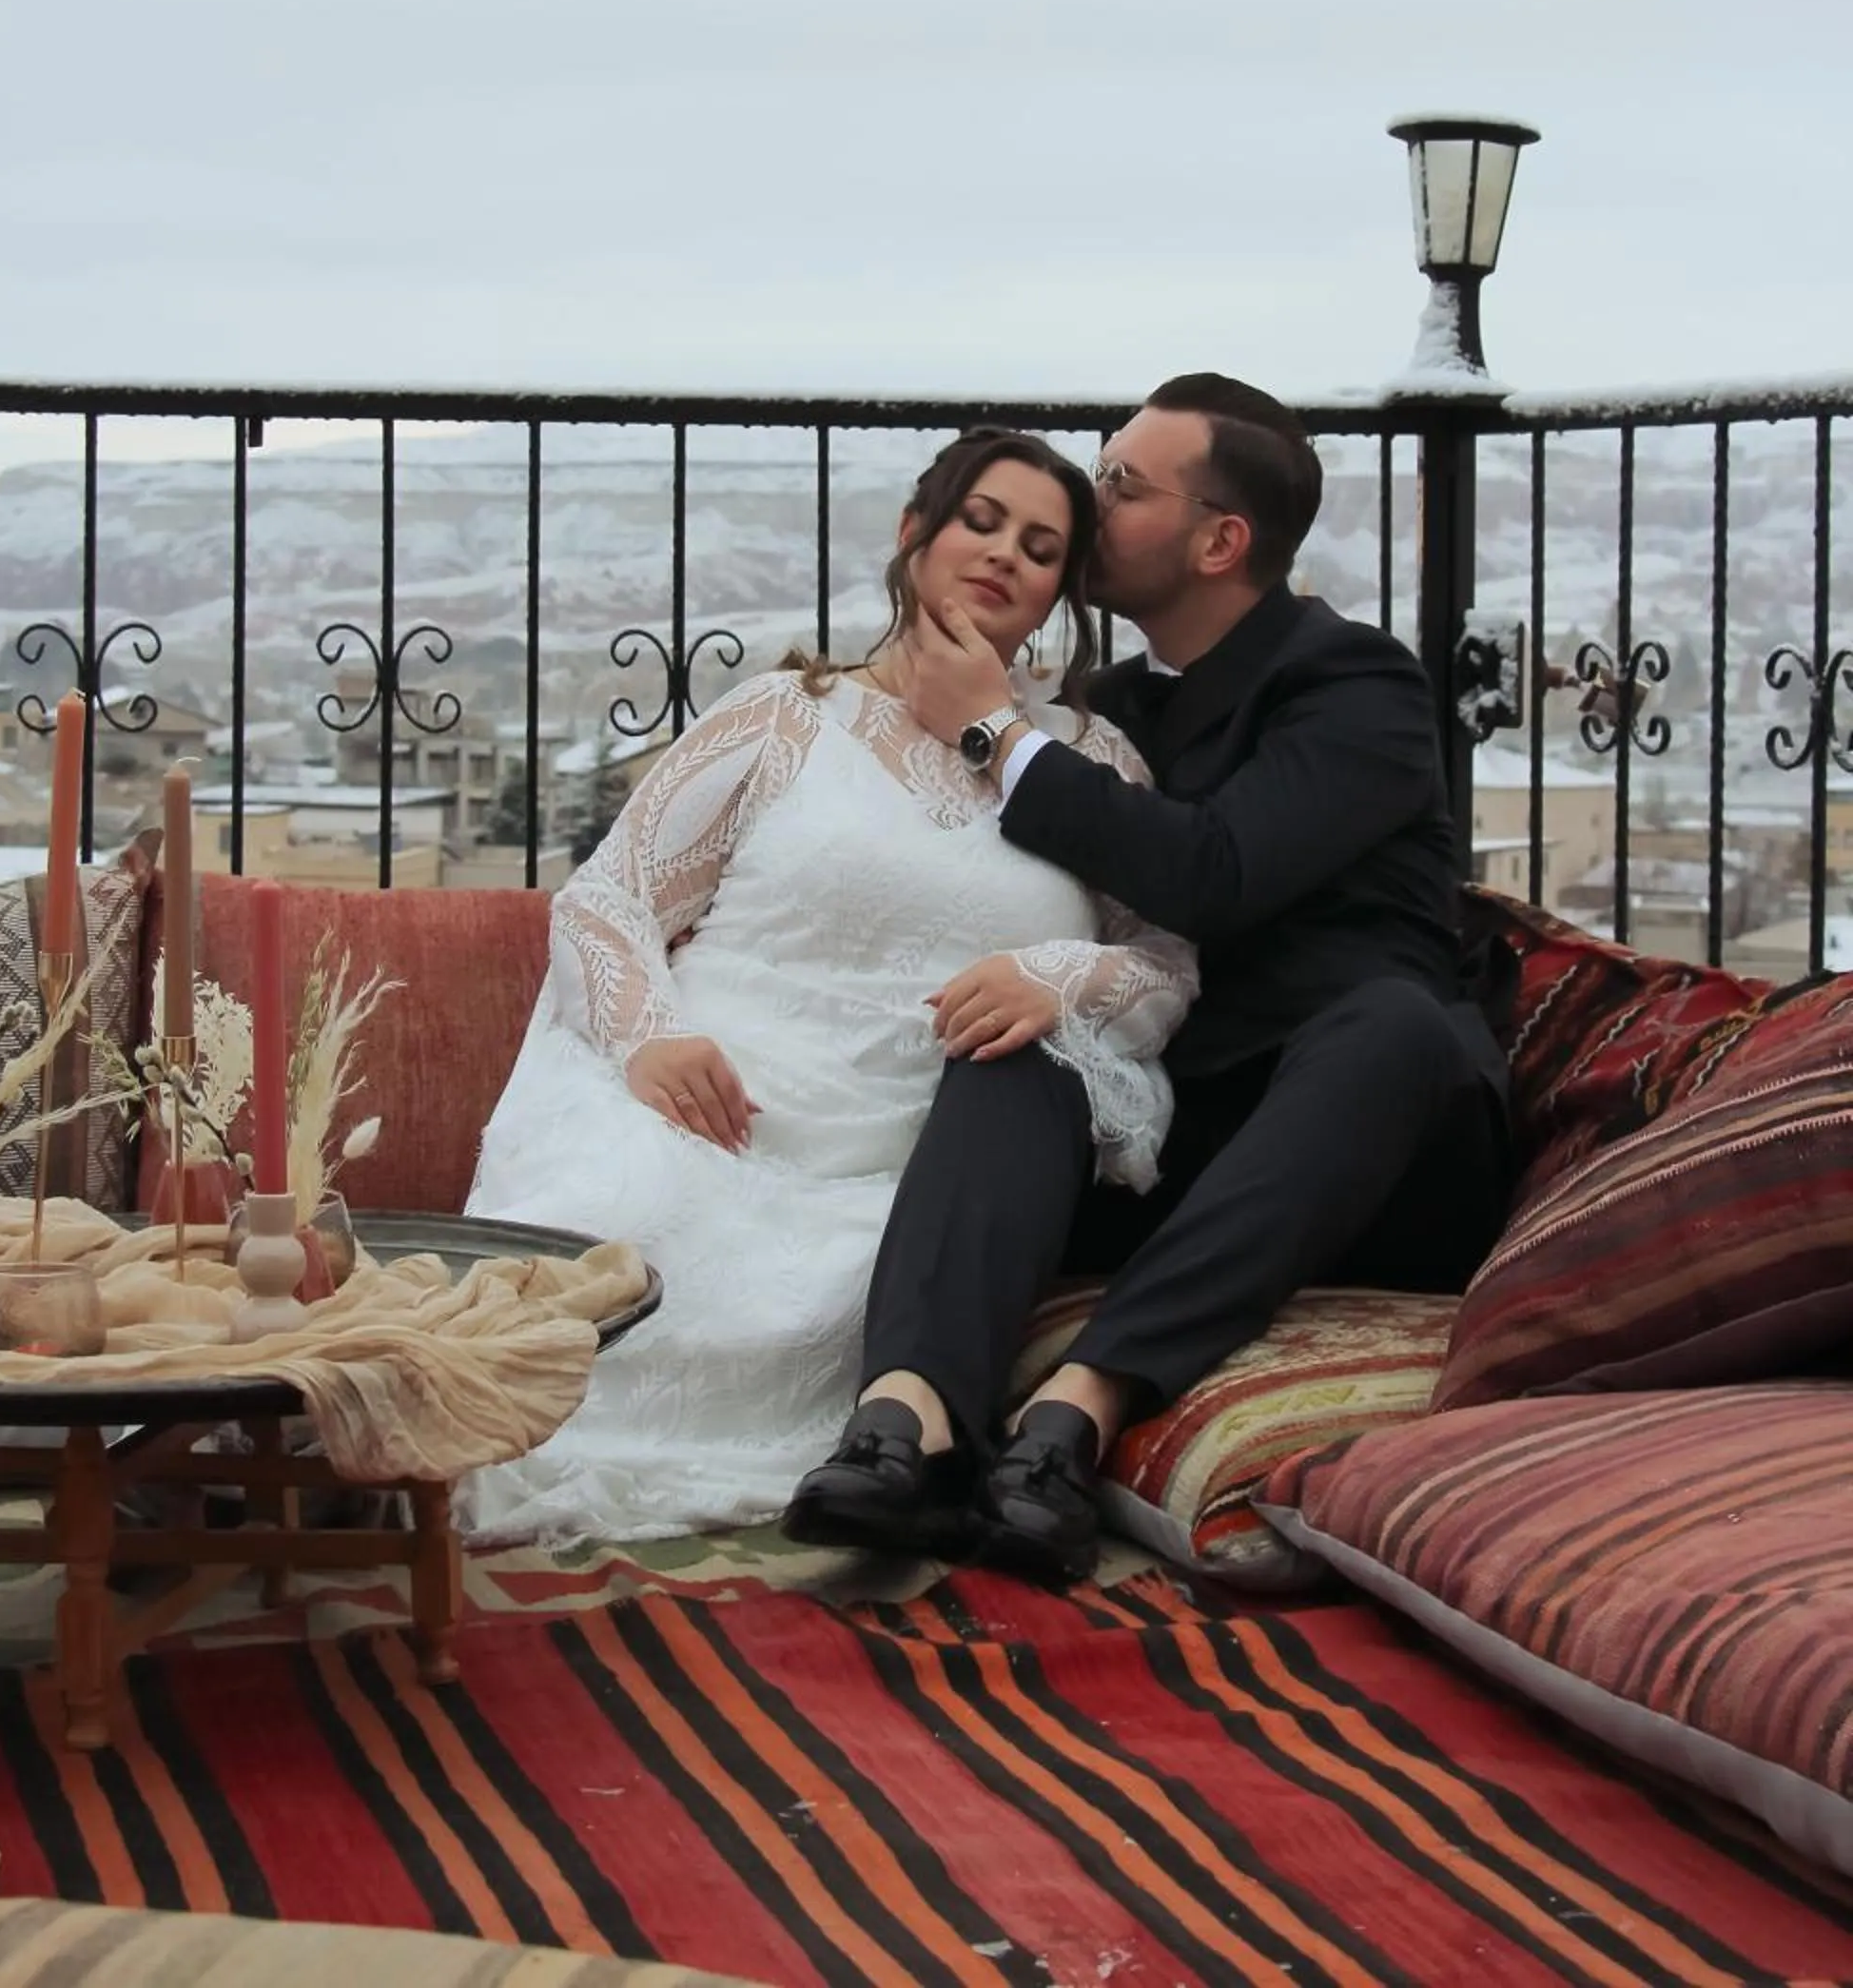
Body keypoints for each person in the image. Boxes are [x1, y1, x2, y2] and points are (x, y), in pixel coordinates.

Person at [787, 373, 1515, 1581]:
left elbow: (1215, 874)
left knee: (1392, 1026)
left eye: (1120, 485)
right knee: (1023, 1039)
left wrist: (997, 733)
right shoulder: (1111, 711)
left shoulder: (1353, 687)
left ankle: (1073, 1415)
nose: (1088, 498)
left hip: (1369, 1152)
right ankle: (904, 1427)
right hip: (1189, 1127)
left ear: (1219, 539)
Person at [458, 429, 1195, 1546]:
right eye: (979, 522)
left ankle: (900, 1441)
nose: (1003, 556)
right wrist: (647, 1038)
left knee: (866, 1303)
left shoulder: (1087, 761)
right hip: (711, 1114)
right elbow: (607, 902)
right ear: (914, 535)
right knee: (620, 1267)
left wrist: (1058, 972)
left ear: (1056, 594)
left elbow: (1165, 962)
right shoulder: (781, 716)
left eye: (1040, 548)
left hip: (914, 1170)